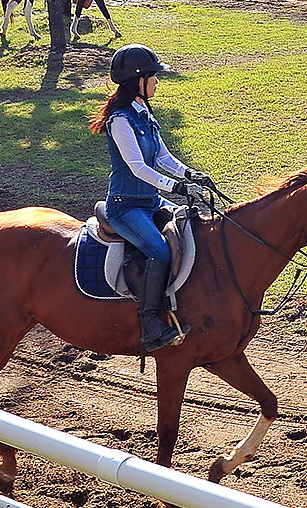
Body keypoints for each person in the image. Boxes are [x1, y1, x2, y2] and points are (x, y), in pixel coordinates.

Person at [88, 45, 213, 352]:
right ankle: (151, 325)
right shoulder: (120, 120)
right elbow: (138, 167)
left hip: (150, 202)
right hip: (125, 206)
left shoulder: (145, 114)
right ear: (138, 80)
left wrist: (191, 175)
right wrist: (176, 187)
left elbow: (163, 156)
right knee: (158, 250)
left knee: (192, 225)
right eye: (154, 76)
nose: (157, 81)